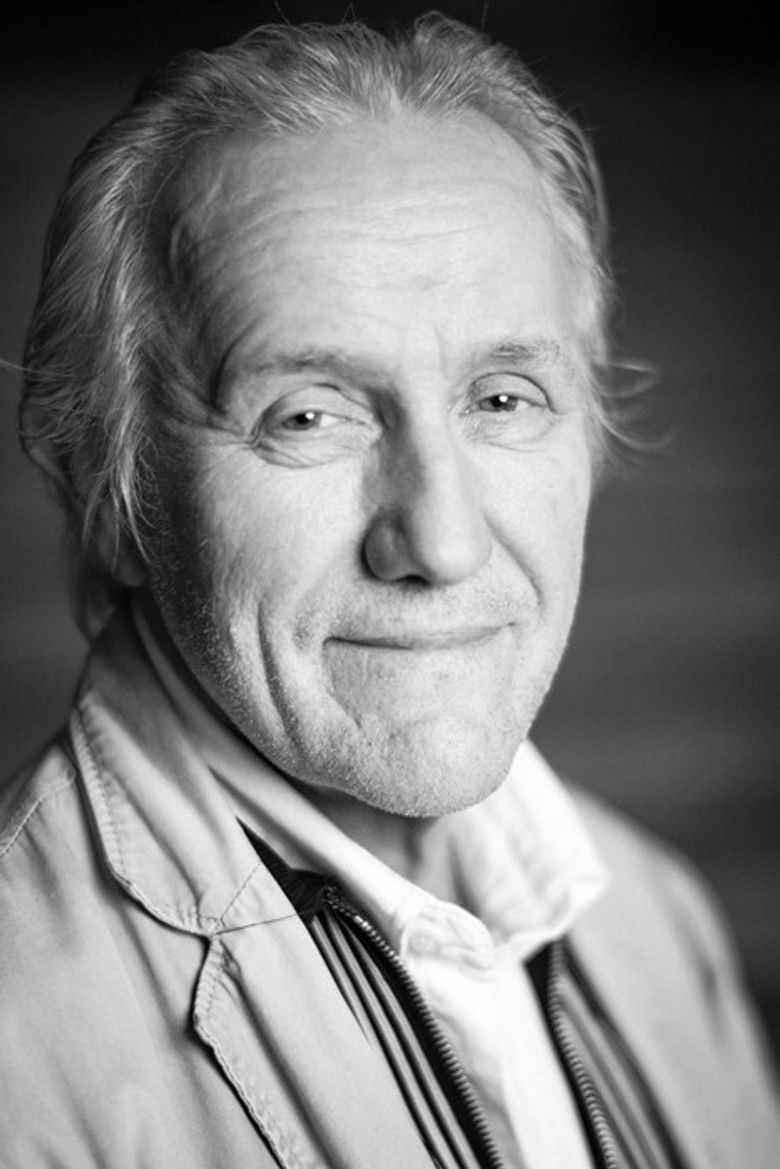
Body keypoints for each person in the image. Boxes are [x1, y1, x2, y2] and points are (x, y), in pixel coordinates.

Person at [1, 14, 778, 1168]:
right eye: (309, 414)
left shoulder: (655, 920)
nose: (443, 542)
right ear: (112, 495)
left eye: (503, 399)